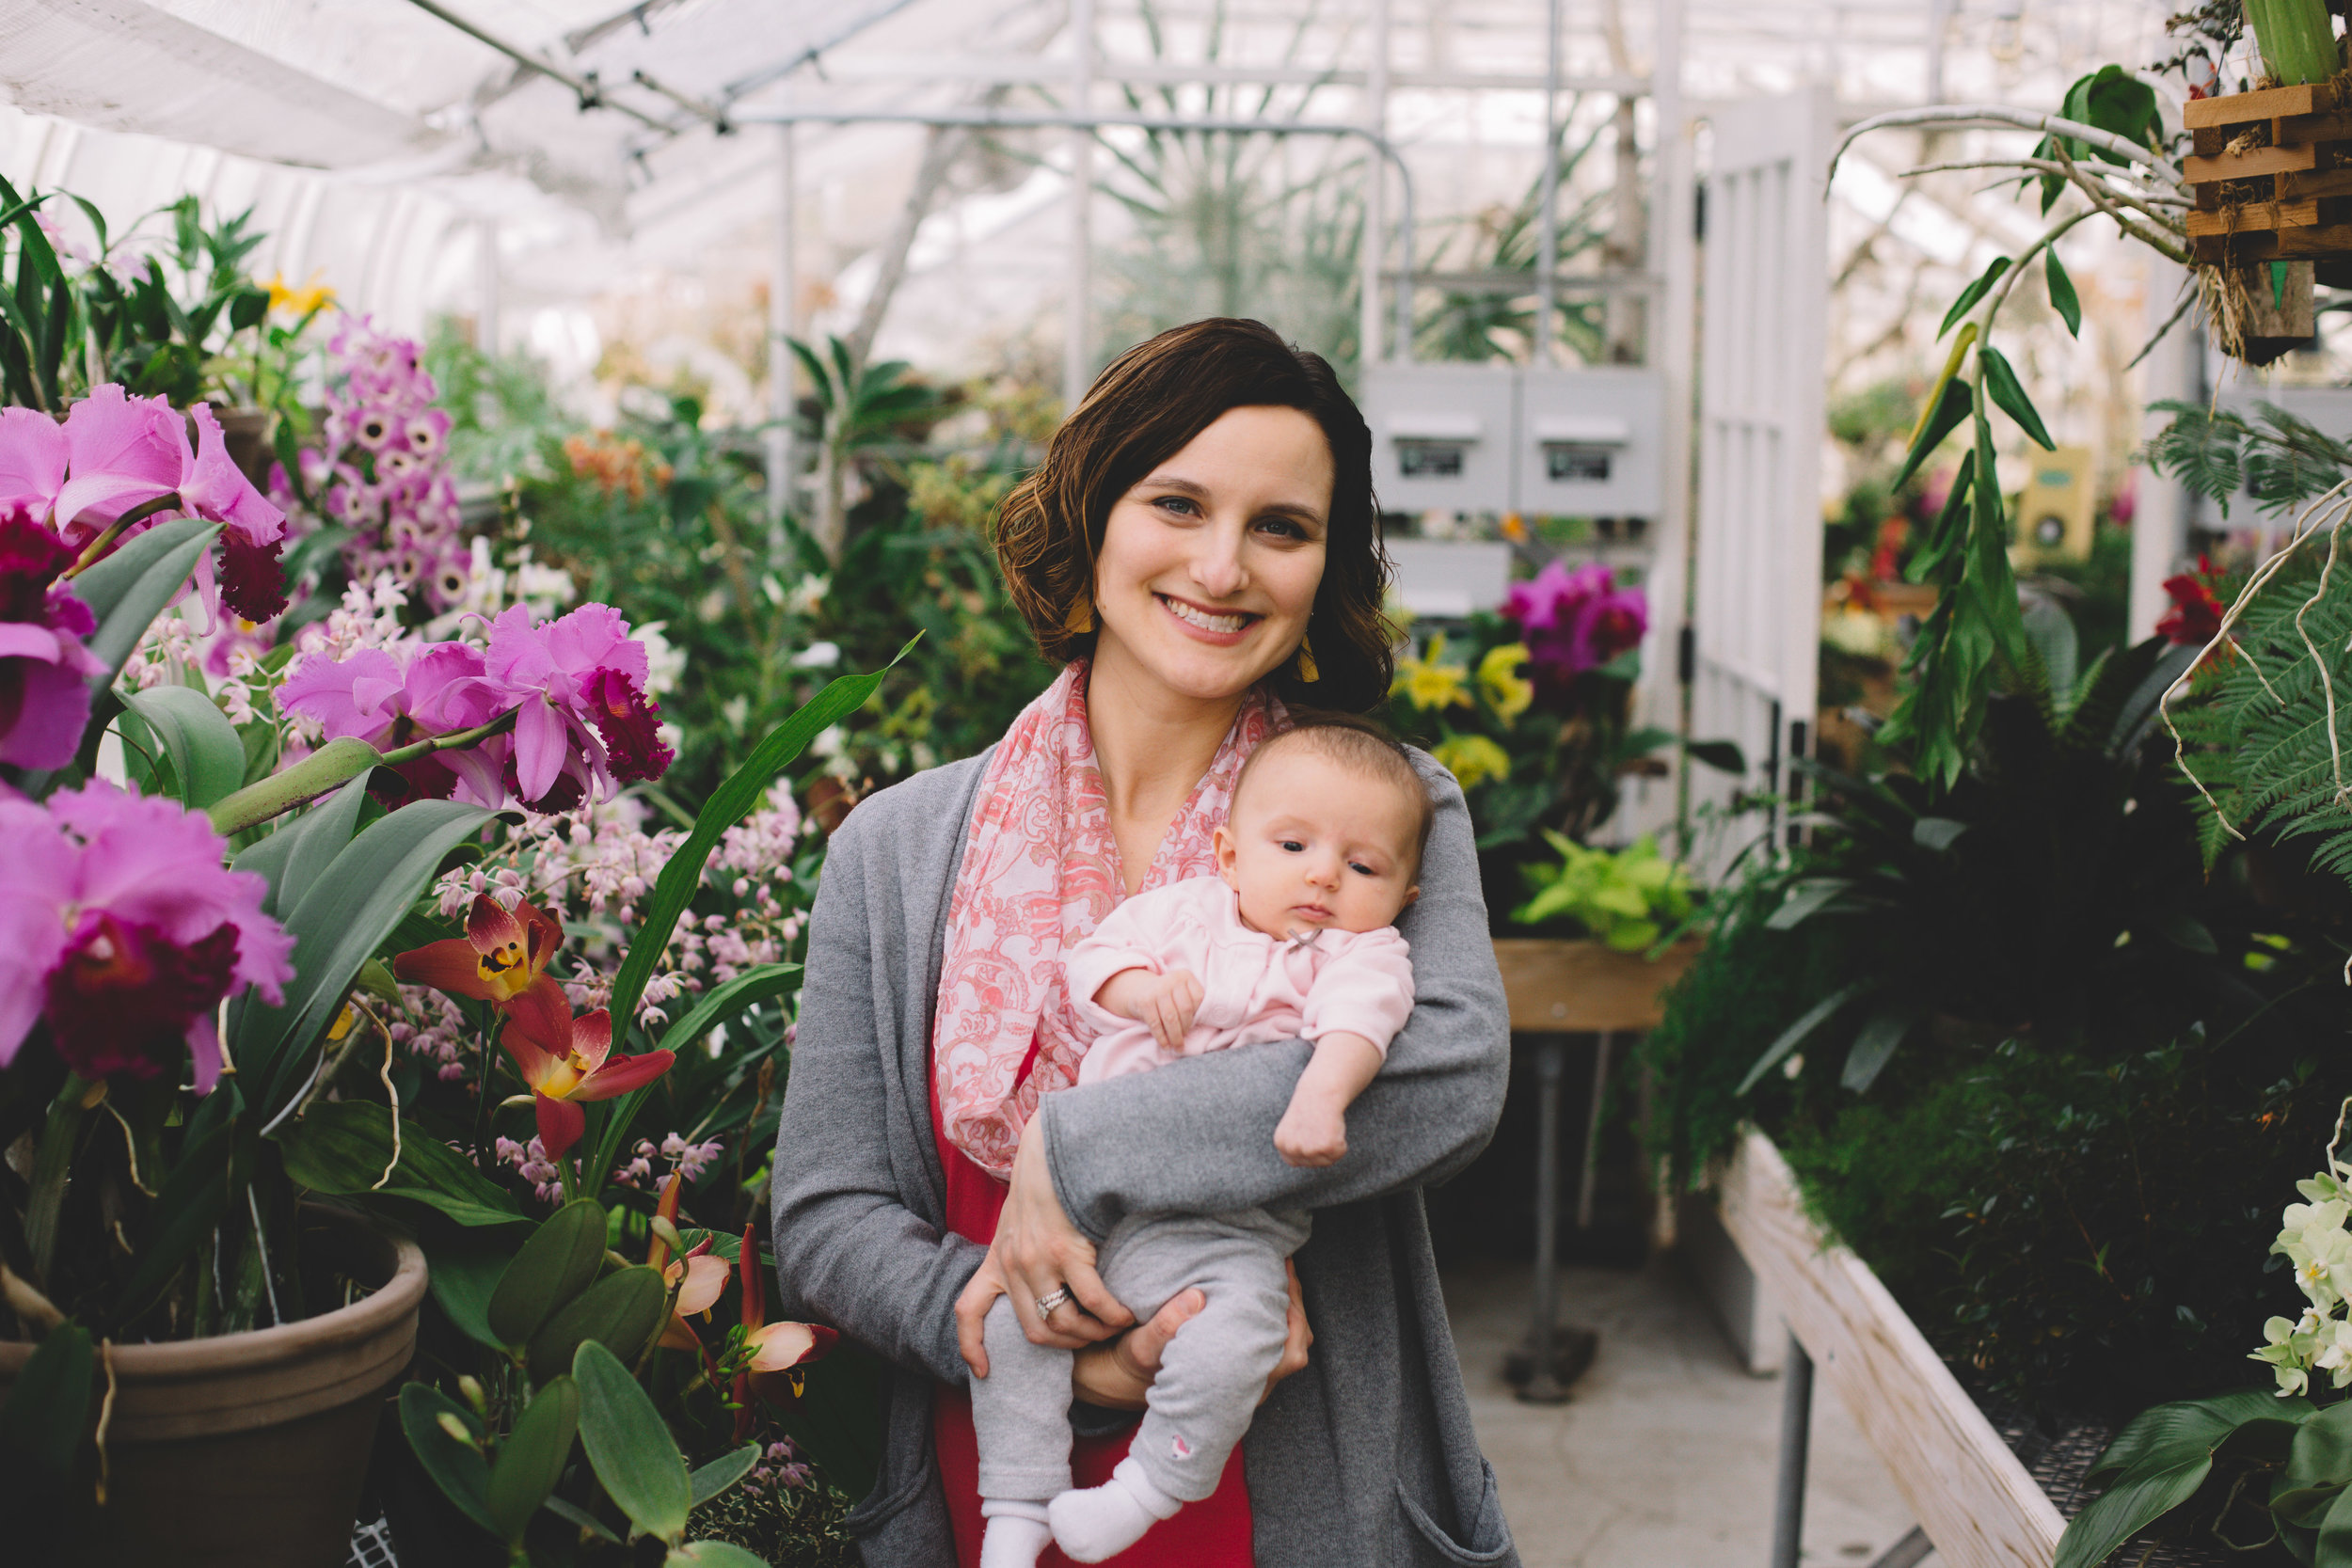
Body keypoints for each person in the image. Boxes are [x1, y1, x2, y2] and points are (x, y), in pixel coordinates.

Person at [771, 317, 1517, 1568]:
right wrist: (1063, 1344)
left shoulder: (1380, 810)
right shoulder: (897, 849)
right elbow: (828, 1211)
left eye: (1281, 526)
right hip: (982, 1473)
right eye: (1177, 502)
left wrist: (1081, 1144)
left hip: (1290, 1482)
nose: (1222, 566)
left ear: (1323, 568)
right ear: (1093, 518)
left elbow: (1446, 1073)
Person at [972, 721, 1431, 1566]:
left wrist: (1320, 1102)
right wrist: (1142, 989)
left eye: (1363, 866)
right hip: (1095, 1220)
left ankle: (1146, 1488)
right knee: (1012, 1318)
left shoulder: (1363, 954)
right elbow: (1092, 961)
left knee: (1244, 1335)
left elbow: (1361, 1028)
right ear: (1227, 853)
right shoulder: (1184, 914)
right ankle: (1015, 1506)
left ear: (1403, 895)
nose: (1324, 873)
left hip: (1230, 1234)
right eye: (1293, 843)